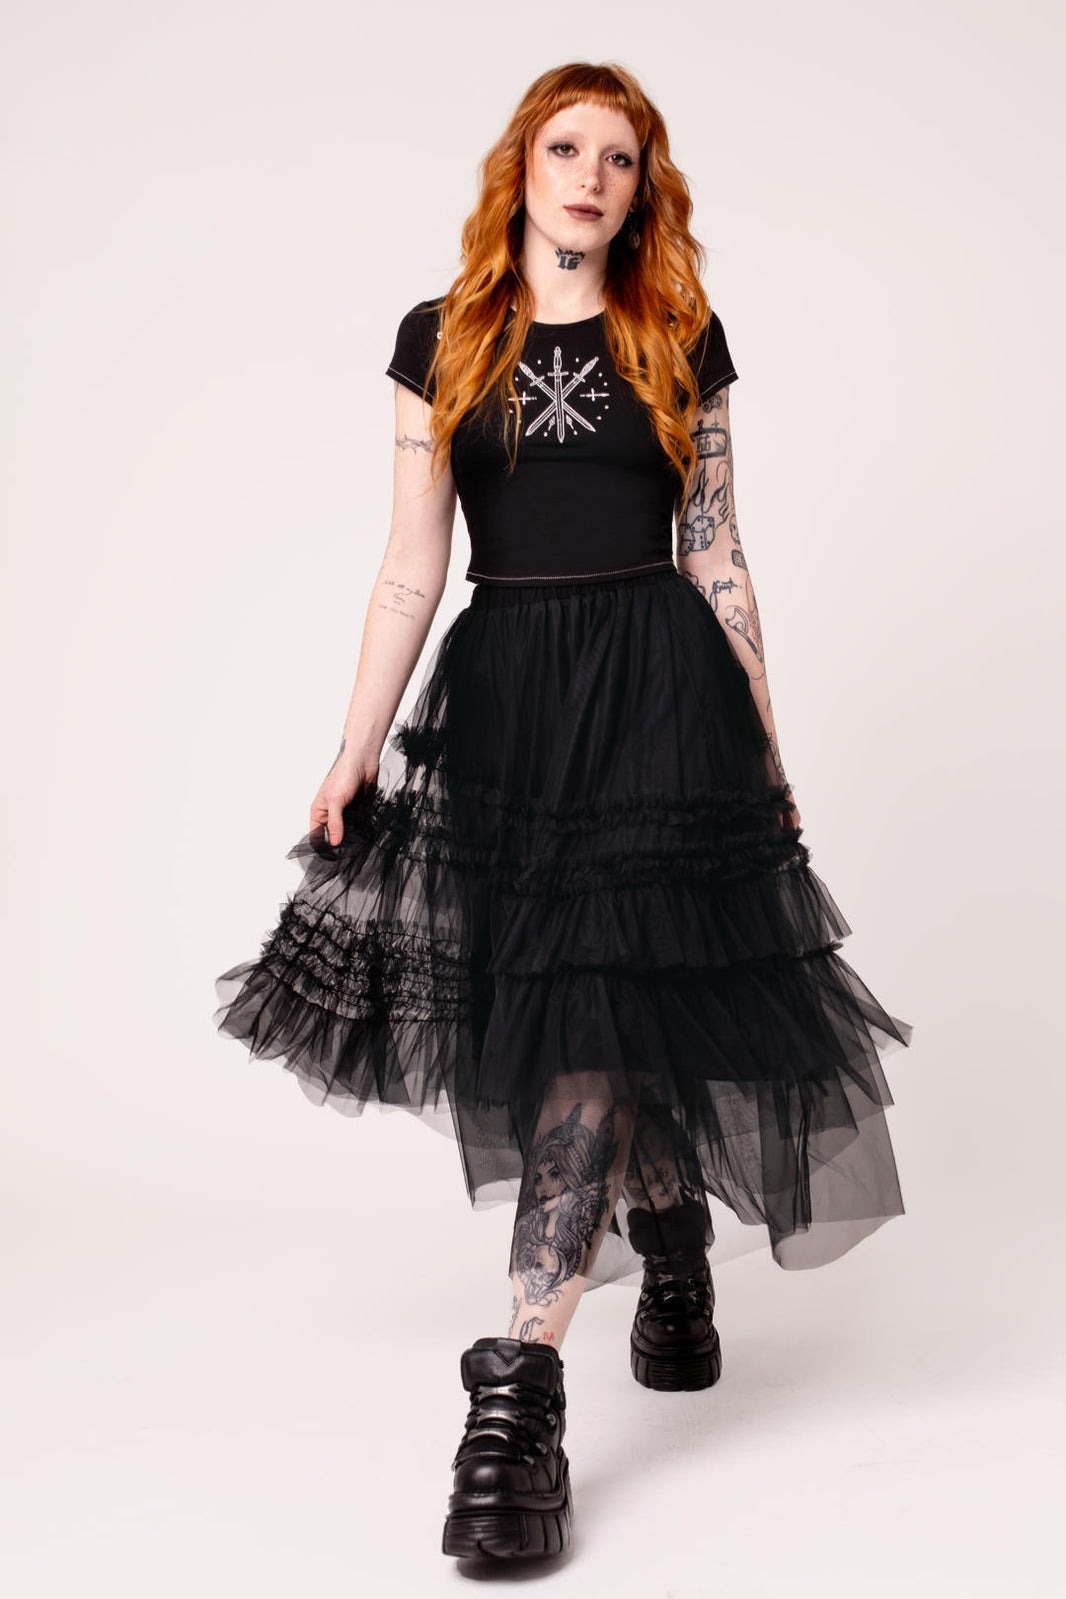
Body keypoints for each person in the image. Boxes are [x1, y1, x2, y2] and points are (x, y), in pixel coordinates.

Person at [213, 60, 913, 1562]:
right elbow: (410, 565)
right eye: (566, 148)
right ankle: (669, 1243)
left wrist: (766, 748)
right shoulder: (442, 339)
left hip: (660, 693)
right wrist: (353, 750)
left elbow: (717, 552)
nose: (590, 177)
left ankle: (516, 1403)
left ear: (642, 189)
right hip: (513, 706)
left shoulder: (677, 333)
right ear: (520, 168)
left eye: (620, 157)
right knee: (582, 1010)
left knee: (597, 1019)